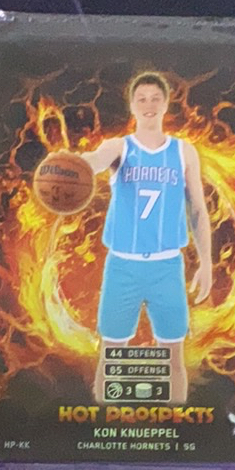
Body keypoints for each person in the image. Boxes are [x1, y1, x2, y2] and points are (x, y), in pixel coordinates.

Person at [78, 72, 213, 404]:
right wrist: (75, 164)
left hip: (167, 267)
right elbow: (94, 161)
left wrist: (207, 263)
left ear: (166, 104)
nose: (149, 105)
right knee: (111, 353)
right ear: (132, 106)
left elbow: (198, 209)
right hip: (122, 266)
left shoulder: (184, 152)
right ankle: (104, 421)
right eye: (142, 99)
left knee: (173, 356)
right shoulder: (119, 147)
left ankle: (175, 423)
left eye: (155, 98)